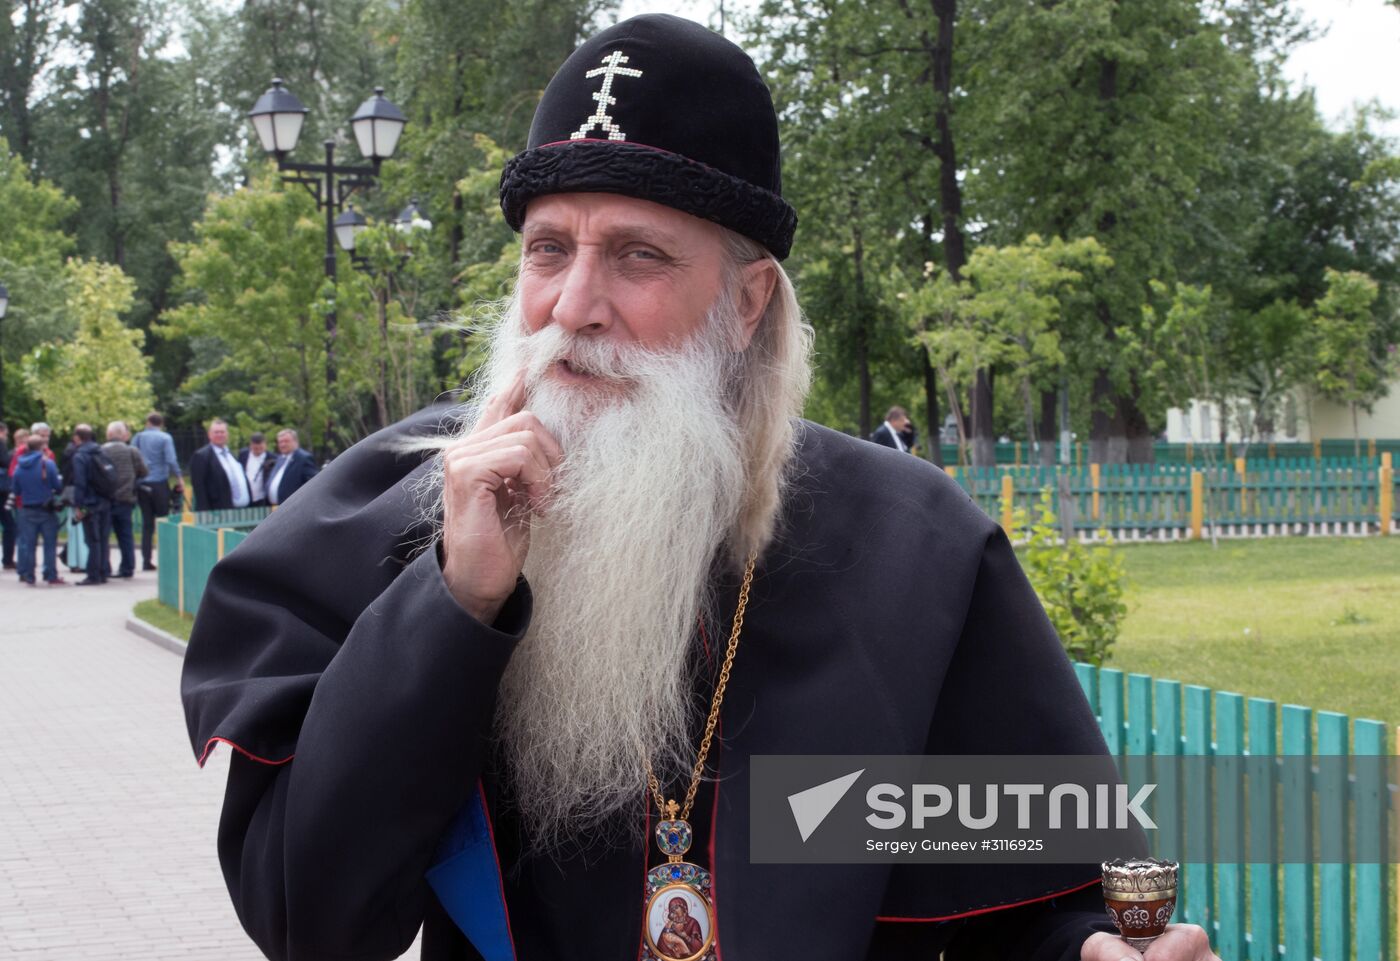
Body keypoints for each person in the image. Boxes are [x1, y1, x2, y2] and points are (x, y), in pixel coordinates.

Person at [181, 16, 1219, 961]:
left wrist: (1090, 954)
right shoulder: (402, 508)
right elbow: (308, 922)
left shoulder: (914, 553)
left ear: (744, 301)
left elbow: (1023, 902)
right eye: (549, 249)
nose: (573, 305)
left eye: (636, 255)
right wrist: (455, 603)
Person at [131, 412, 184, 571]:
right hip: (159, 483)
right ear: (161, 423)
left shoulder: (138, 437)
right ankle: (165, 558)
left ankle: (146, 560)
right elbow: (170, 459)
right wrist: (179, 477)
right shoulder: (165, 438)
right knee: (163, 522)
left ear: (148, 422)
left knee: (147, 524)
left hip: (142, 484)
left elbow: (132, 456)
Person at [12, 434, 65, 586]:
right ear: (42, 447)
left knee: (29, 544)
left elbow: (16, 490)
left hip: (27, 508)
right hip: (46, 508)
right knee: (49, 544)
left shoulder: (19, 466)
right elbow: (57, 486)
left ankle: (29, 575)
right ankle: (50, 574)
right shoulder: (47, 464)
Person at [102, 421, 149, 579]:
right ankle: (127, 568)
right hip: (126, 498)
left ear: (108, 435)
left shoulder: (101, 451)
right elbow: (144, 471)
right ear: (122, 435)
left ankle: (105, 567)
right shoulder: (131, 451)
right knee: (126, 536)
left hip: (106, 499)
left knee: (103, 536)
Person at [70, 425, 114, 585]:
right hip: (105, 500)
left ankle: (93, 574)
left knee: (92, 540)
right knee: (103, 539)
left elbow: (80, 483)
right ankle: (103, 571)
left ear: (77, 438)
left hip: (89, 502)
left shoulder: (80, 456)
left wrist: (78, 506)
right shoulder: (102, 452)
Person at [188, 418, 250, 512]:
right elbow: (199, 488)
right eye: (216, 432)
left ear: (227, 434)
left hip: (240, 512)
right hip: (217, 514)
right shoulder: (201, 456)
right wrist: (205, 514)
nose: (220, 435)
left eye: (222, 432)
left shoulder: (232, 455)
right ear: (209, 435)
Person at [265, 428, 319, 506]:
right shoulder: (280, 458)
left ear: (295, 441)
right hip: (275, 507)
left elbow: (313, 483)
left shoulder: (303, 458)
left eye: (286, 441)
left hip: (294, 507)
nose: (282, 445)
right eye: (280, 442)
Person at [238, 432, 274, 507]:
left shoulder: (272, 458)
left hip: (263, 499)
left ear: (265, 445)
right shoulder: (243, 455)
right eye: (255, 448)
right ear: (250, 445)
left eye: (260, 447)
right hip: (246, 497)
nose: (258, 450)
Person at [0, 422, 14, 570]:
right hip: (2, 491)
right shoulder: (1, 444)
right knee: (10, 526)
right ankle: (7, 559)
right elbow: (6, 462)